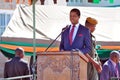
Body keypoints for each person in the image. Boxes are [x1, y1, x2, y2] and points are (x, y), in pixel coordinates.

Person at [59, 8, 102, 75]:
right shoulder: (65, 30)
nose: (72, 18)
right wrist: (62, 50)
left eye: (74, 16)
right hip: (66, 64)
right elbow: (62, 45)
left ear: (79, 17)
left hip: (81, 63)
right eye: (70, 16)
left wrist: (78, 52)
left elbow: (88, 48)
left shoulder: (84, 30)